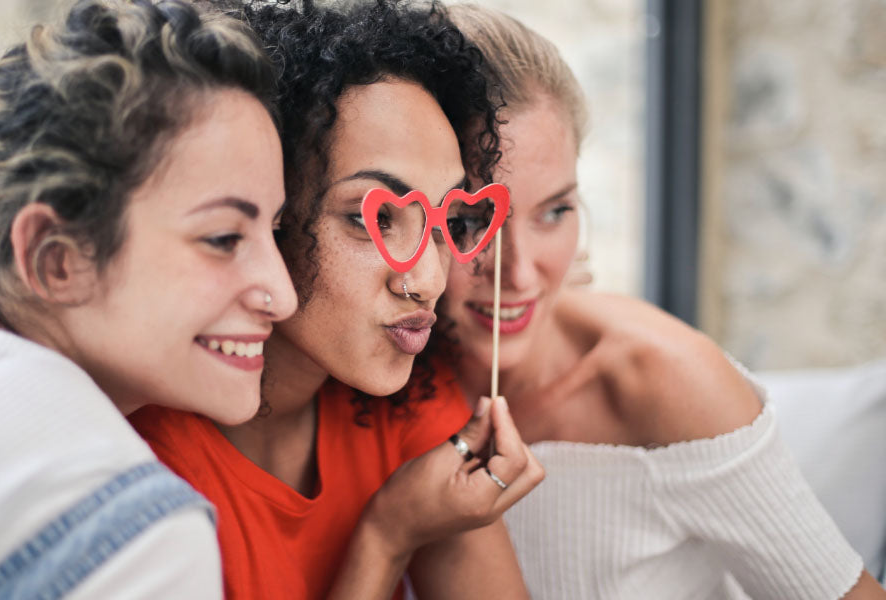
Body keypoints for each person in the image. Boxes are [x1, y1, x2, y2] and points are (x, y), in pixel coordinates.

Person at [438, 4, 886, 599]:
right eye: (473, 218)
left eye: (555, 211)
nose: (519, 272)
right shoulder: (381, 384)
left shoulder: (667, 379)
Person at [129, 1, 544, 598]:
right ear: (270, 212)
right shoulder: (149, 464)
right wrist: (387, 535)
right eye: (366, 217)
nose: (426, 279)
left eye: (447, 217)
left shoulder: (409, 404)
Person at [0, 0, 297, 597]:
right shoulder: (141, 537)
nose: (281, 296)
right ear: (56, 259)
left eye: (275, 232)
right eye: (223, 238)